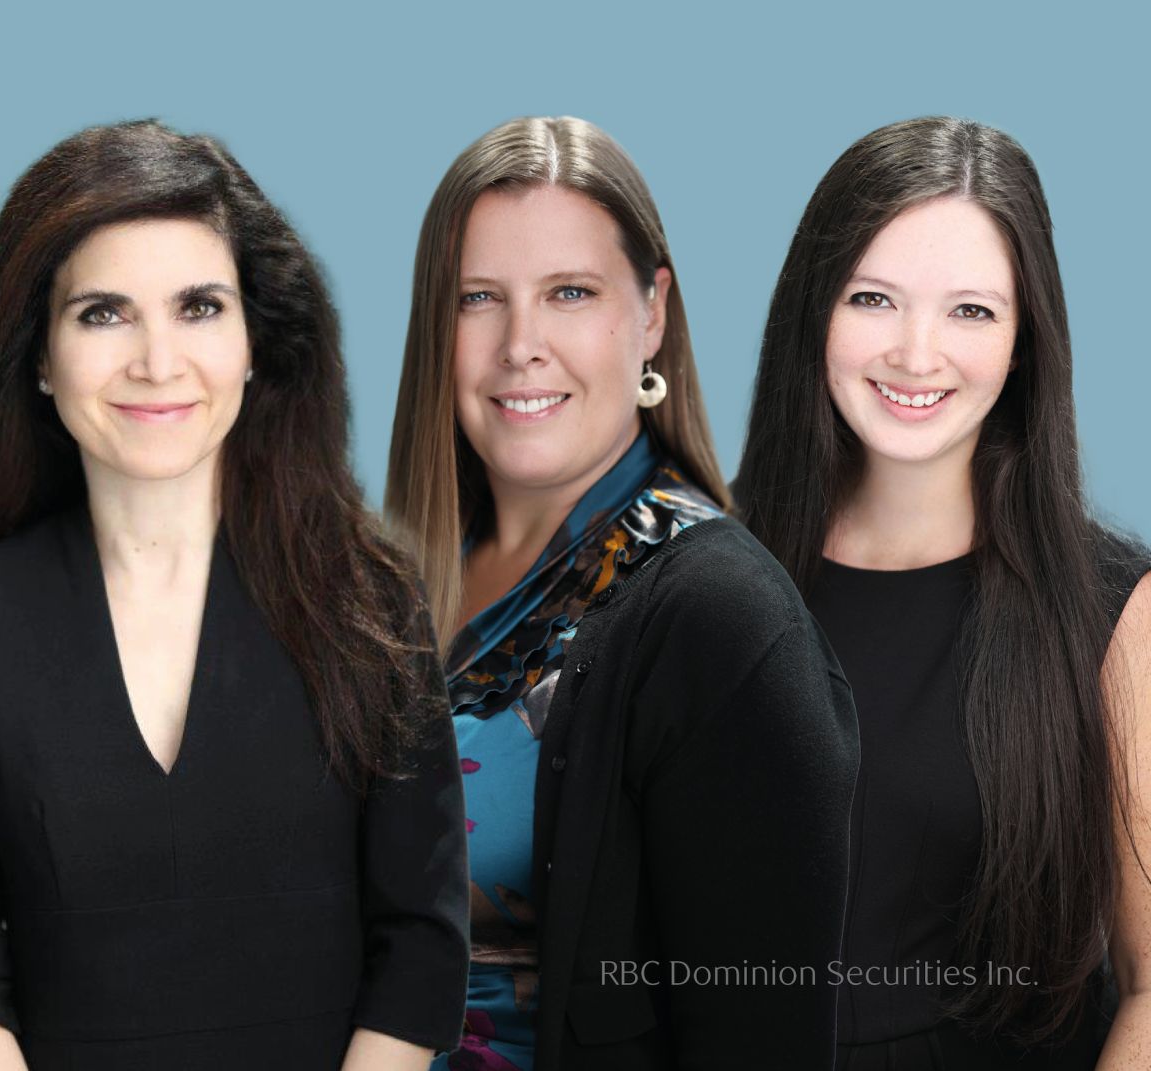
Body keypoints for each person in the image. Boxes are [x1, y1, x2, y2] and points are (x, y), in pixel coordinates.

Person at [0, 119, 470, 1071]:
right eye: (103, 313)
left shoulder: (371, 600)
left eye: (198, 307)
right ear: (39, 356)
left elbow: (420, 947)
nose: (157, 361)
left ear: (255, 341)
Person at [383, 115, 858, 1069]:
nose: (522, 343)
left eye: (570, 292)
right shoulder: (381, 590)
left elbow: (761, 1041)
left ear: (652, 313)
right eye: (479, 296)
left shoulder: (720, 621)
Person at [733, 115, 1151, 1069]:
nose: (917, 354)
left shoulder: (1116, 610)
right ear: (814, 311)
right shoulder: (700, 572)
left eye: (971, 310)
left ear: (1024, 343)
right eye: (874, 298)